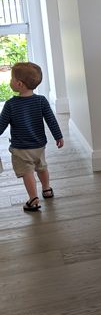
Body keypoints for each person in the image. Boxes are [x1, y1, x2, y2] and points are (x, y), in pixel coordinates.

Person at [0, 61, 63, 212]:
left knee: (27, 172)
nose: (10, 82)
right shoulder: (41, 100)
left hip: (21, 148)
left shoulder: (10, 105)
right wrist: (58, 136)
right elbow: (51, 120)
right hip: (39, 145)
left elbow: (1, 125)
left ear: (19, 84)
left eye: (11, 79)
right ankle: (47, 189)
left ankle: (33, 199)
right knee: (42, 167)